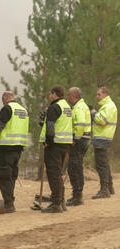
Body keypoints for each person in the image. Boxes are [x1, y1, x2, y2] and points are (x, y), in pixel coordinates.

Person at [0, 92, 29, 213]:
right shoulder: (23, 110)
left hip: (7, 146)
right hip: (19, 146)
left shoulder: (7, 108)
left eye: (3, 100)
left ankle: (9, 204)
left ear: (5, 98)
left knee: (5, 176)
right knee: (12, 175)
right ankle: (10, 200)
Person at [39, 85, 73, 213]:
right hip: (64, 144)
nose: (49, 96)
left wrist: (48, 141)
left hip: (54, 144)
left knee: (53, 174)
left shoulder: (54, 107)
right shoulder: (66, 106)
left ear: (54, 94)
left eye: (50, 94)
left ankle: (56, 204)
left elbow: (51, 126)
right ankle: (61, 201)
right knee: (58, 173)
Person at [65, 87, 91, 206]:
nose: (67, 97)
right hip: (83, 138)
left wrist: (75, 138)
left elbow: (80, 124)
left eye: (68, 95)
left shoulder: (79, 107)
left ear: (73, 96)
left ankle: (77, 196)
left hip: (79, 140)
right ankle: (77, 194)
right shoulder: (80, 105)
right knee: (77, 166)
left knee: (74, 167)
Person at [91, 87, 118, 199]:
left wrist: (93, 113)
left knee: (101, 164)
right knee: (104, 163)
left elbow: (102, 120)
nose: (97, 97)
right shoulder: (108, 106)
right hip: (103, 137)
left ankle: (104, 190)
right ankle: (109, 188)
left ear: (105, 94)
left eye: (99, 94)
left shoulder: (108, 106)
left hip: (102, 138)